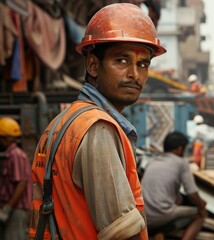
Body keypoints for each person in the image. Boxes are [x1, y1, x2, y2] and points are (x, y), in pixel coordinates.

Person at [29, 3, 166, 239]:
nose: (134, 74)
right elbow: (122, 232)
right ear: (93, 65)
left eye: (143, 64)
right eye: (121, 61)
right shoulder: (97, 128)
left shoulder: (62, 123)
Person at [141, 131, 207, 239]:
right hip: (161, 215)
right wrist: (202, 205)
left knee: (176, 206)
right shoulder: (181, 163)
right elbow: (192, 194)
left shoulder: (152, 161)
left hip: (142, 216)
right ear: (180, 148)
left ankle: (159, 231)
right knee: (200, 215)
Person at [0, 117, 32, 240]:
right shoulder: (10, 155)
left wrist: (8, 208)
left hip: (17, 210)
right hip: (13, 209)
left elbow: (21, 183)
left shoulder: (16, 155)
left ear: (6, 138)